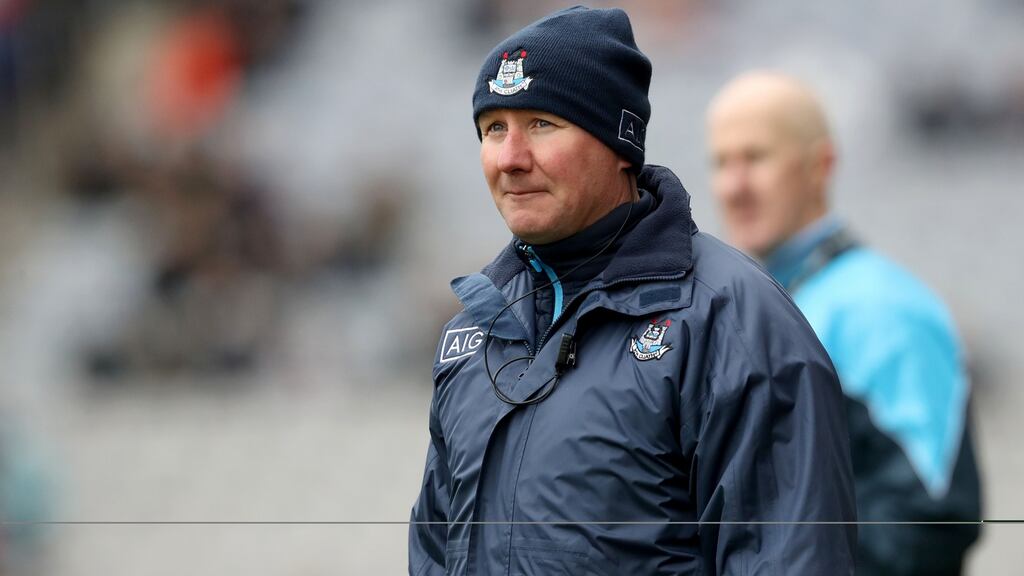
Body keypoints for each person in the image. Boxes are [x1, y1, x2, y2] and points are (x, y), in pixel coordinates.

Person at [409, 8, 857, 575]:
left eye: (542, 124)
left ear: (620, 143)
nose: (510, 158)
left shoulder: (734, 321)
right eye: (493, 128)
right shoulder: (473, 332)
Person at [707, 71, 983, 576]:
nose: (734, 184)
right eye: (721, 162)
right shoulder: (761, 302)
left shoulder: (878, 307)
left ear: (821, 165)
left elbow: (928, 521)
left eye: (755, 157)